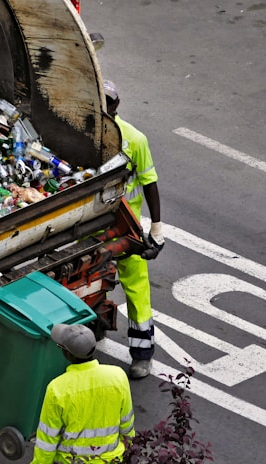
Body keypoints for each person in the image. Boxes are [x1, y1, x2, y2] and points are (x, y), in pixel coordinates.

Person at [103, 79, 164, 379]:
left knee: (137, 289)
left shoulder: (135, 140)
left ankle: (142, 355)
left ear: (116, 104)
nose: (104, 106)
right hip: (92, 224)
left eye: (108, 101)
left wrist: (157, 228)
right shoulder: (83, 132)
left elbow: (150, 183)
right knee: (90, 279)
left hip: (126, 227)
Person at [31, 323, 135, 464]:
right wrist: (128, 448)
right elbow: (127, 423)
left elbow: (47, 439)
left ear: (67, 354)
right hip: (112, 459)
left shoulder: (57, 389)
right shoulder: (117, 376)